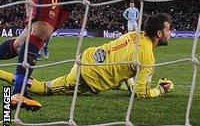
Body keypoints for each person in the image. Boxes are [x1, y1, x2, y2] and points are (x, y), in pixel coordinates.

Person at [6, 13, 175, 111]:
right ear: (159, 34)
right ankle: (9, 80)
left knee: (119, 77)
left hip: (89, 57)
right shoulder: (147, 57)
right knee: (45, 88)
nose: (171, 32)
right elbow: (141, 93)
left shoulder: (135, 34)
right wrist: (161, 89)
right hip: (88, 76)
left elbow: (124, 66)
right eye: (169, 29)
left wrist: (129, 84)